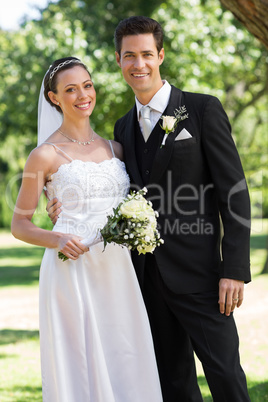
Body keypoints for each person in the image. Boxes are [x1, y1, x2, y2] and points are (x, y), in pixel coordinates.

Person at [47, 17, 251, 401]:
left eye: (145, 54)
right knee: (172, 382)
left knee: (225, 375)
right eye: (129, 56)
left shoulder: (202, 110)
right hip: (144, 279)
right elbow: (112, 193)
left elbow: (235, 195)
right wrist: (63, 202)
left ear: (160, 55)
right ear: (119, 61)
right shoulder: (121, 129)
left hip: (204, 277)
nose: (138, 64)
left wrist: (234, 270)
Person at [11, 56, 163, 402]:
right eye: (70, 89)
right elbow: (19, 225)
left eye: (87, 85)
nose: (83, 95)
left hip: (118, 270)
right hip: (72, 270)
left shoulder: (116, 148)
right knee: (80, 358)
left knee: (125, 350)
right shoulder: (44, 155)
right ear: (54, 98)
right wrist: (58, 237)